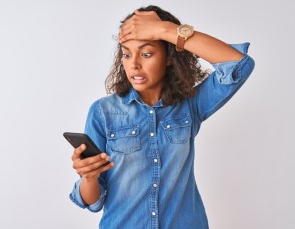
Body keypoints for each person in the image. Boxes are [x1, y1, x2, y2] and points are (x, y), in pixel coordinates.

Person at [69, 5, 255, 229]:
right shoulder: (103, 112)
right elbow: (91, 201)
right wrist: (89, 177)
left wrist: (166, 30)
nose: (134, 64)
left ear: (168, 57)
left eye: (147, 53)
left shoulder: (190, 105)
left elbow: (238, 65)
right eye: (127, 54)